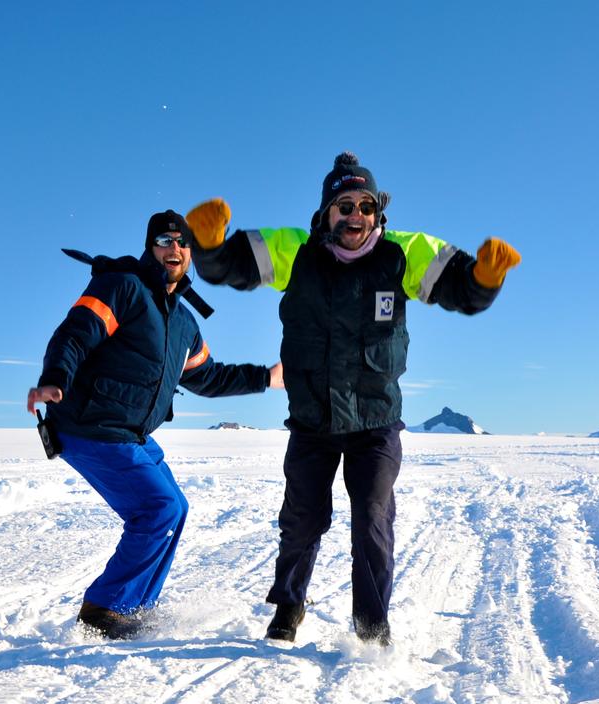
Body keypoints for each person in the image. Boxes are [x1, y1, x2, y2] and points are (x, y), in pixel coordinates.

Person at [186, 152, 520, 645]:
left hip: (376, 421)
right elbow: (229, 266)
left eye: (365, 205)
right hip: (312, 420)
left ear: (378, 213)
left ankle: (371, 627)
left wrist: (483, 280)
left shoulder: (404, 254)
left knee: (372, 516)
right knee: (301, 520)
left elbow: (459, 289)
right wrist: (209, 245)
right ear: (326, 213)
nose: (355, 216)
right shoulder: (295, 250)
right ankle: (288, 607)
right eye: (344, 206)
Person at [28, 211, 283, 639]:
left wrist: (267, 377)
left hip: (129, 433)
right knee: (157, 509)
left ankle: (135, 606)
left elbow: (208, 376)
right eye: (165, 240)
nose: (175, 249)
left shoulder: (183, 323)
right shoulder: (122, 287)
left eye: (183, 243)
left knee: (174, 509)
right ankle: (104, 611)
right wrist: (54, 380)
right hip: (89, 425)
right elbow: (76, 333)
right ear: (151, 247)